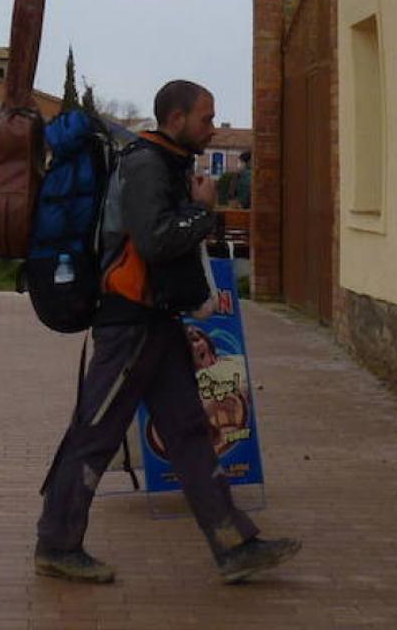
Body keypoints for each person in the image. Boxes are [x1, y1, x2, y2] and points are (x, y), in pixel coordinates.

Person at [35, 79, 300, 585]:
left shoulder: (166, 164)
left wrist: (199, 210)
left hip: (155, 321)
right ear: (175, 119)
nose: (213, 126)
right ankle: (56, 544)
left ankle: (235, 545)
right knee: (95, 434)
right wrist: (204, 210)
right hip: (129, 322)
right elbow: (155, 241)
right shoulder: (145, 165)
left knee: (188, 433)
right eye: (206, 117)